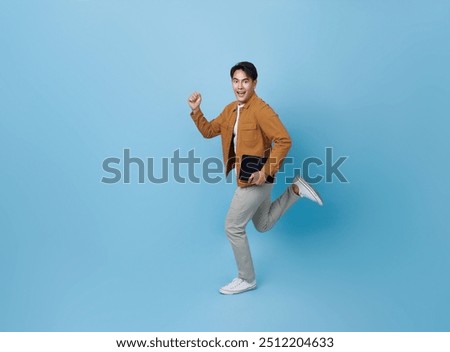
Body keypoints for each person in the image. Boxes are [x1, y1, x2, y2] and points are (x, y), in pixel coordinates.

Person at [188, 61, 323, 295]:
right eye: (235, 81)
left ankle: (246, 278)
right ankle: (295, 190)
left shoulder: (261, 109)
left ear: (254, 83)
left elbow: (284, 140)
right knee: (262, 224)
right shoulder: (231, 109)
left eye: (245, 81)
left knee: (232, 226)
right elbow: (209, 130)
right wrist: (196, 110)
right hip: (255, 177)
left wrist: (266, 171)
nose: (240, 86)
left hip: (256, 179)